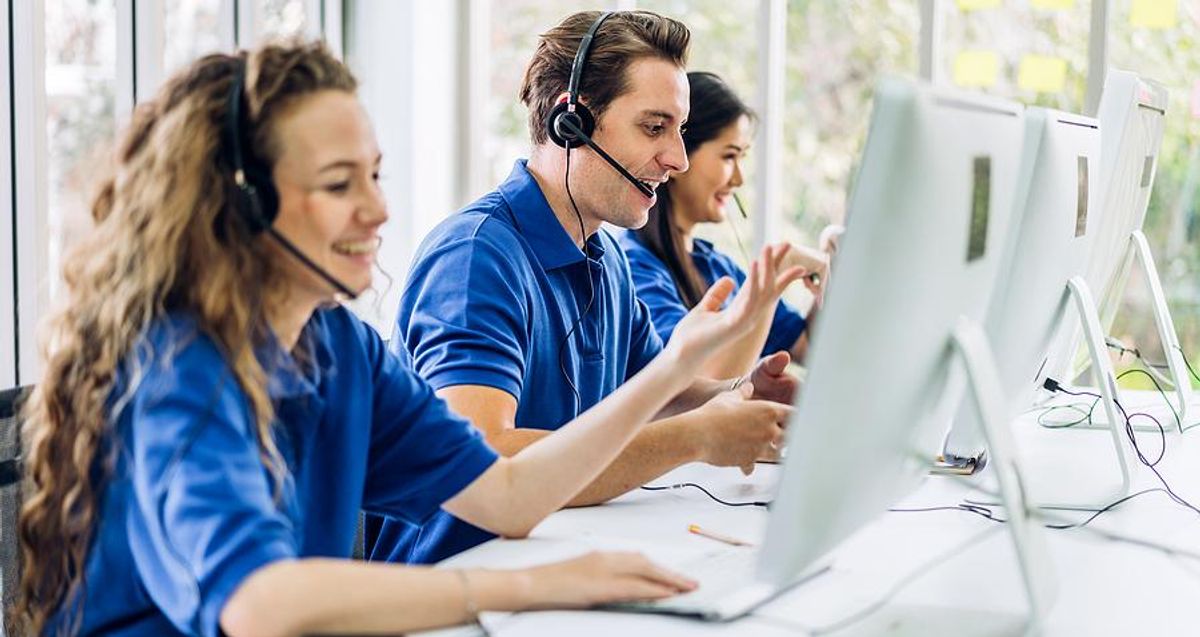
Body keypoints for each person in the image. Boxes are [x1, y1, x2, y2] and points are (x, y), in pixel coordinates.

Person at [13, 41, 799, 637]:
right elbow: (259, 603)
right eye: (339, 183)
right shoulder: (178, 370)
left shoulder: (340, 348)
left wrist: (674, 369)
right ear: (242, 207)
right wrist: (527, 586)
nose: (379, 210)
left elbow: (506, 493)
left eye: (376, 175)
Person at [367, 11, 805, 566]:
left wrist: (739, 393)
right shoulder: (475, 258)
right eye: (654, 128)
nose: (677, 159)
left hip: (560, 560)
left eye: (679, 131)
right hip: (458, 579)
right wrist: (697, 437)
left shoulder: (607, 257)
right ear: (569, 122)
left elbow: (655, 393)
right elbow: (486, 457)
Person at [620, 71, 835, 379]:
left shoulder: (718, 266)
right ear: (679, 154)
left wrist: (834, 268)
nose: (738, 179)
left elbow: (809, 347)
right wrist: (775, 276)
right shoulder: (635, 269)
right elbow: (694, 385)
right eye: (729, 157)